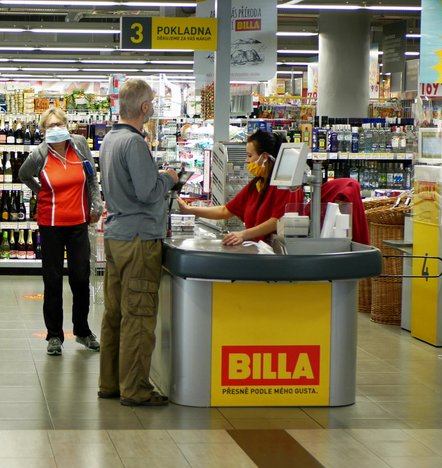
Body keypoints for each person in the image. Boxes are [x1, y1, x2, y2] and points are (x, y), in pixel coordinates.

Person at [98, 79, 178, 407]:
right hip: (139, 239)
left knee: (114, 313)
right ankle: (135, 388)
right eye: (153, 102)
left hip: (117, 235)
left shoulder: (109, 139)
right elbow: (148, 192)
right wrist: (168, 179)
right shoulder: (134, 143)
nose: (154, 107)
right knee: (139, 315)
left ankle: (110, 383)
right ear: (144, 107)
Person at [19, 107, 102, 356]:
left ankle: (83, 331)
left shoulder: (78, 146)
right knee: (52, 281)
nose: (55, 129)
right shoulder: (40, 154)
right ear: (44, 131)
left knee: (80, 277)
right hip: (51, 224)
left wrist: (96, 204)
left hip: (78, 222)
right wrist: (41, 190)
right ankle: (54, 335)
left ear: (67, 124)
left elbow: (91, 178)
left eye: (58, 124)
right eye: (50, 126)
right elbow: (24, 174)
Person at [175, 130, 304, 245]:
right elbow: (225, 210)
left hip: (277, 255)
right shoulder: (256, 185)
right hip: (260, 251)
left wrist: (243, 234)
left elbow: (277, 220)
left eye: (249, 155)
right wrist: (189, 209)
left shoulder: (286, 186)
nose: (246, 160)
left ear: (264, 158)